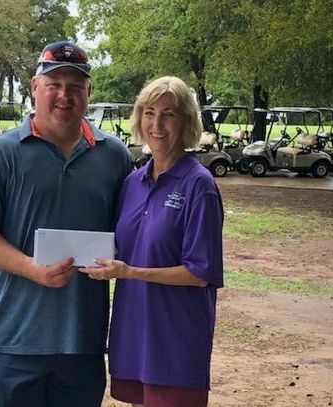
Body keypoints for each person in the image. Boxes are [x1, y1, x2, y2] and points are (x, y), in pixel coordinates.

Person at [0, 40, 132, 407]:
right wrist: (31, 268)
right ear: (34, 88)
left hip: (83, 342)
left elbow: (127, 231)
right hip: (14, 340)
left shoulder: (114, 157)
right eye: (53, 85)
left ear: (88, 93)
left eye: (75, 87)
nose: (64, 95)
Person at [80, 76, 224, 407]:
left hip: (175, 337)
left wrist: (128, 271)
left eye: (169, 114)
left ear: (186, 122)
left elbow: (199, 272)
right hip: (134, 332)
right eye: (149, 112)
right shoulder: (132, 182)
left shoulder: (198, 186)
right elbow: (121, 245)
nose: (156, 124)